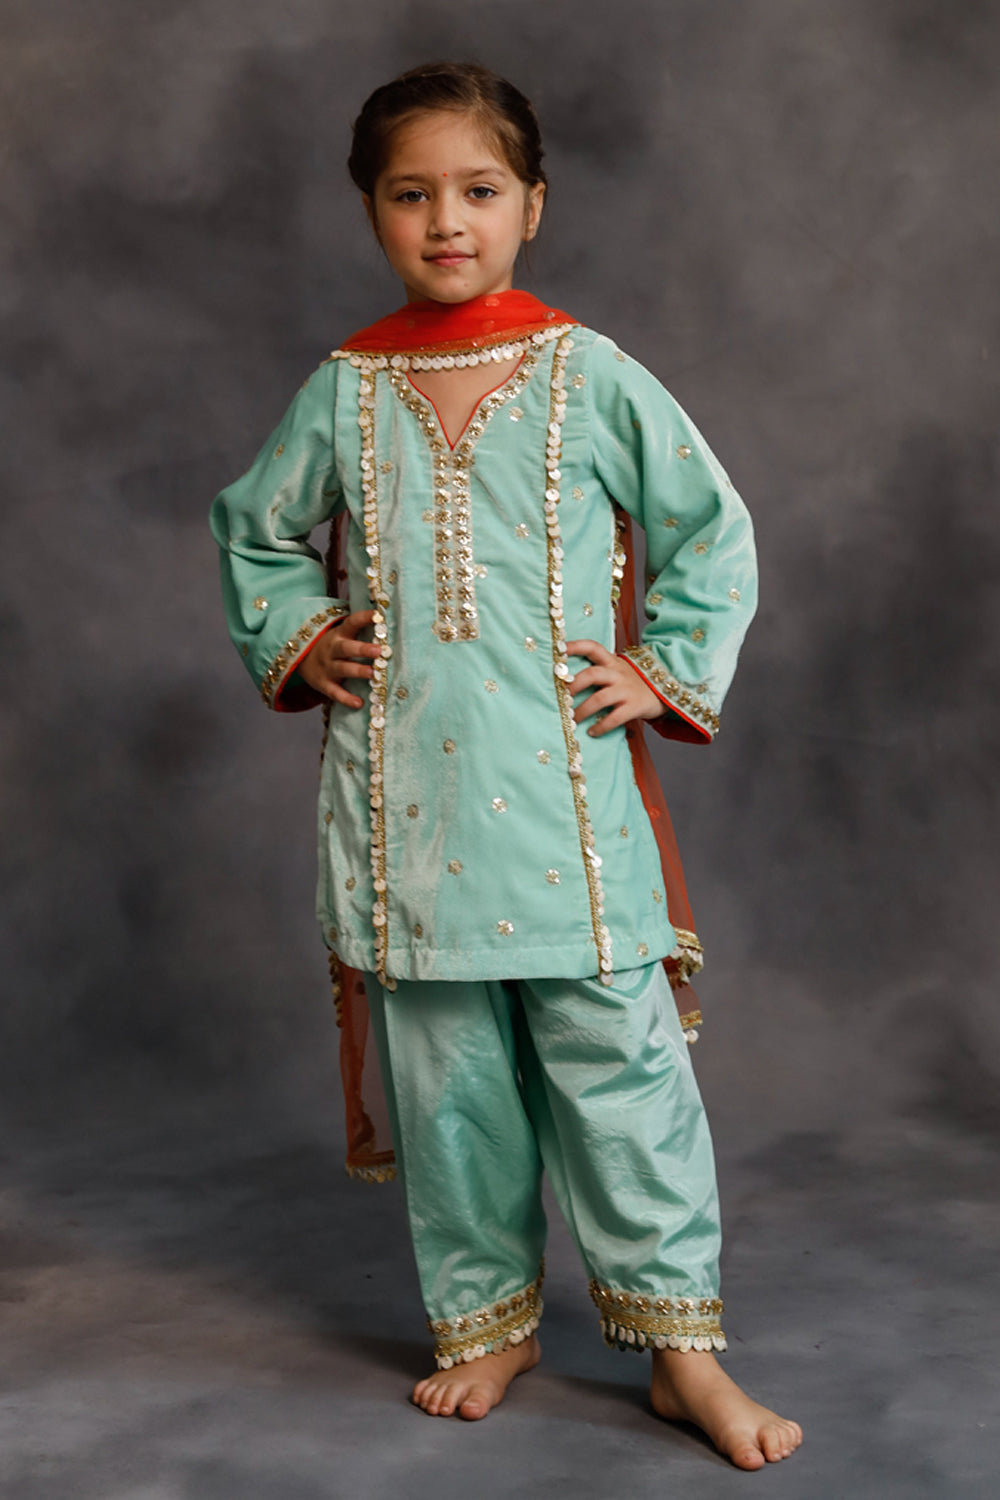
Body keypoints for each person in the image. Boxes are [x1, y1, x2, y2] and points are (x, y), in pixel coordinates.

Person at [209, 61, 803, 1469]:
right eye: (410, 194)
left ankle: (683, 1355)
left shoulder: (587, 373)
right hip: (407, 813)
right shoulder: (348, 388)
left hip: (566, 811)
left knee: (621, 1073)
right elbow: (255, 529)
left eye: (478, 190)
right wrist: (304, 635)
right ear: (371, 211)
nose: (446, 221)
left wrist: (659, 668)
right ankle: (487, 1326)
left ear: (532, 205)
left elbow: (710, 529)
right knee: (450, 1083)